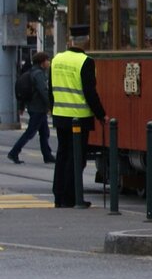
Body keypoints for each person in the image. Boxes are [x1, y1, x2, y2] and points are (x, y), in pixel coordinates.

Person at [50, 26, 105, 208]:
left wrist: (54, 109)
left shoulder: (56, 59)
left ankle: (59, 196)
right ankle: (72, 197)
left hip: (60, 115)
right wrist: (101, 115)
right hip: (79, 117)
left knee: (62, 155)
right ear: (87, 40)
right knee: (76, 159)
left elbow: (50, 89)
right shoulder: (85, 61)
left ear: (71, 40)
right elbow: (90, 92)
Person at [7, 51, 55, 164]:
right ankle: (14, 152)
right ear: (43, 62)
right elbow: (43, 91)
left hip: (36, 107)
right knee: (30, 132)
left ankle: (47, 155)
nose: (49, 62)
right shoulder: (39, 74)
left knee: (44, 132)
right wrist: (51, 105)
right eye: (47, 60)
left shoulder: (32, 71)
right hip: (38, 107)